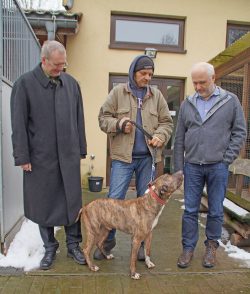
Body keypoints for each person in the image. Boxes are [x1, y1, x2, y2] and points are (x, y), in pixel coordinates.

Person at [10, 40, 87, 270]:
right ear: (44, 60)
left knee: (72, 203)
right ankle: (50, 247)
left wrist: (81, 148)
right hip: (40, 158)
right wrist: (22, 157)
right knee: (44, 204)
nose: (60, 69)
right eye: (56, 65)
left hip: (68, 155)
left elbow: (78, 118)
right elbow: (18, 124)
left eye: (63, 65)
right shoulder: (24, 85)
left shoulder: (72, 84)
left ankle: (74, 245)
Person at [96, 55, 173, 260]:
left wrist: (160, 135)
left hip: (148, 159)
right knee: (114, 201)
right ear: (133, 72)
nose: (147, 77)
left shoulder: (156, 96)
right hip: (123, 158)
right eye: (143, 73)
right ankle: (107, 242)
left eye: (150, 74)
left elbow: (167, 122)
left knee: (148, 204)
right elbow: (103, 118)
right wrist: (119, 125)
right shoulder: (118, 92)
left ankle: (141, 247)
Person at [174, 62, 246, 269]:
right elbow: (179, 138)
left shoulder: (230, 101)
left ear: (213, 78)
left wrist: (226, 159)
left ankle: (211, 248)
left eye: (202, 82)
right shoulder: (187, 104)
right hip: (193, 166)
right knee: (189, 210)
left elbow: (240, 131)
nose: (197, 87)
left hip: (217, 167)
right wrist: (179, 167)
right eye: (194, 83)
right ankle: (187, 249)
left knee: (215, 210)